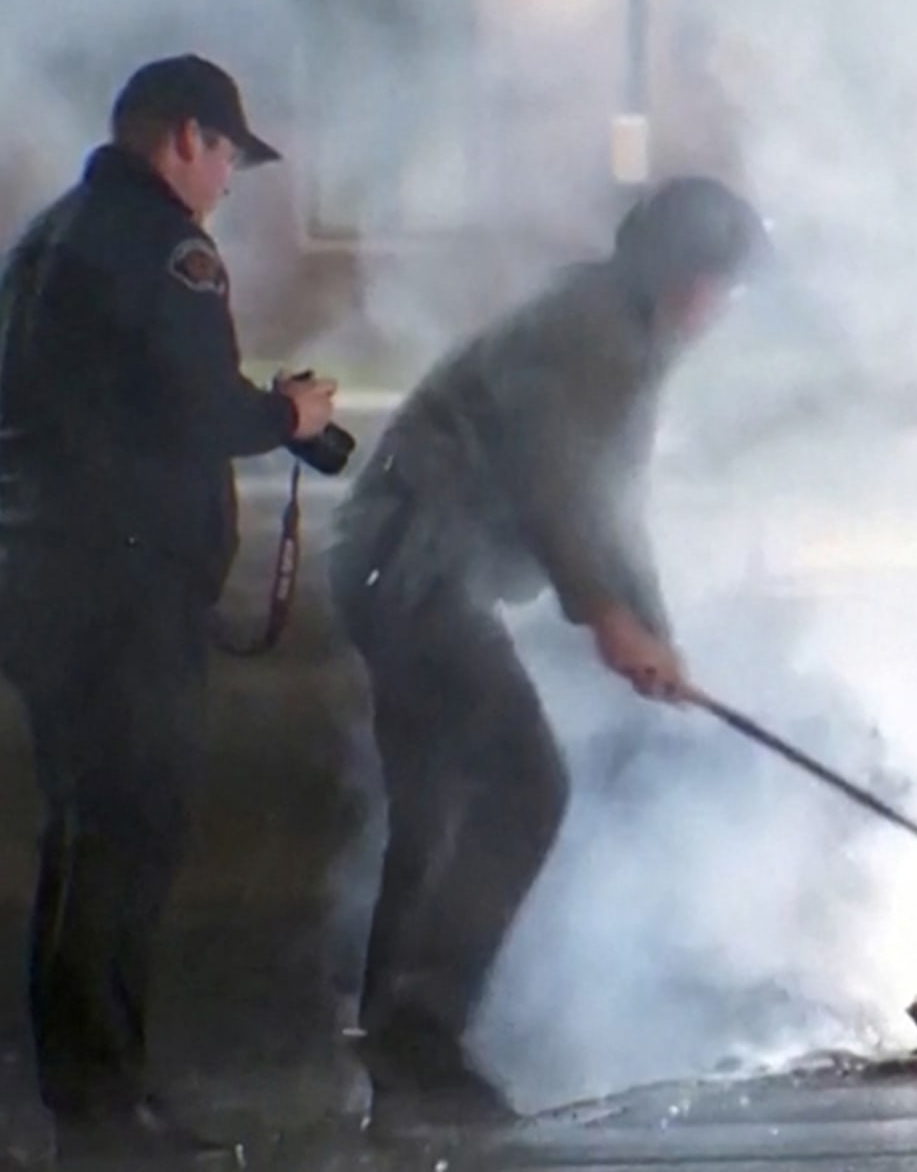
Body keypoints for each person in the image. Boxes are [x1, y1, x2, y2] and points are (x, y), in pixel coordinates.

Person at [328, 175, 770, 1121]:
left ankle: (393, 1035)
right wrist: (607, 615)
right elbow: (553, 484)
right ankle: (420, 1032)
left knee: (434, 801)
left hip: (403, 567)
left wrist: (655, 630)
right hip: (416, 569)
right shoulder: (591, 335)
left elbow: (614, 510)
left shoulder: (626, 338)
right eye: (717, 283)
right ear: (675, 272)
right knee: (526, 785)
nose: (722, 307)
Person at [0, 53, 339, 1159]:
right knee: (128, 841)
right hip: (122, 597)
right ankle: (107, 1103)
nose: (229, 177)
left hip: (47, 581)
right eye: (227, 152)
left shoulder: (47, 237)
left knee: (83, 838)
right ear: (185, 137)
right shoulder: (166, 247)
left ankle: (82, 1090)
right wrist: (289, 412)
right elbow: (194, 407)